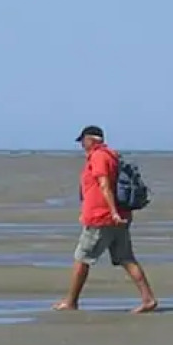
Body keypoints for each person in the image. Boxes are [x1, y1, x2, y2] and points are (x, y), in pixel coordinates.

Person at [54, 125, 157, 314]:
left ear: (90, 140)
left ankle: (71, 302)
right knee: (126, 258)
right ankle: (148, 298)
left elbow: (104, 185)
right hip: (116, 217)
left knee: (81, 259)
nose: (82, 146)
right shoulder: (112, 155)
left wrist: (112, 213)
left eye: (83, 141)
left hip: (102, 218)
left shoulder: (99, 156)